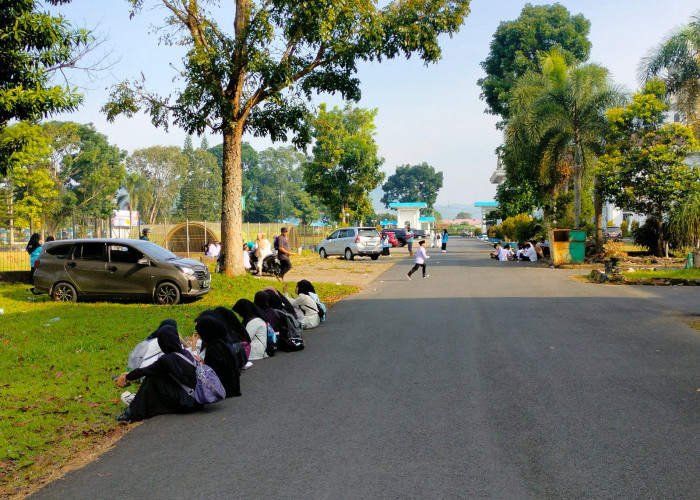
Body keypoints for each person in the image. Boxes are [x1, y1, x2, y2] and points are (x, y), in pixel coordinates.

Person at [113, 324, 200, 422]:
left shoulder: (167, 359)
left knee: (151, 378)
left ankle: (132, 412)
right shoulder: (185, 353)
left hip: (185, 402)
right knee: (158, 376)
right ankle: (137, 405)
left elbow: (146, 370)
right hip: (196, 400)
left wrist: (127, 377)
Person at [191, 314, 241, 398]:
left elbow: (210, 371)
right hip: (232, 386)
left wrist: (194, 350)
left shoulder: (213, 348)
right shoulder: (222, 342)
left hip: (222, 388)